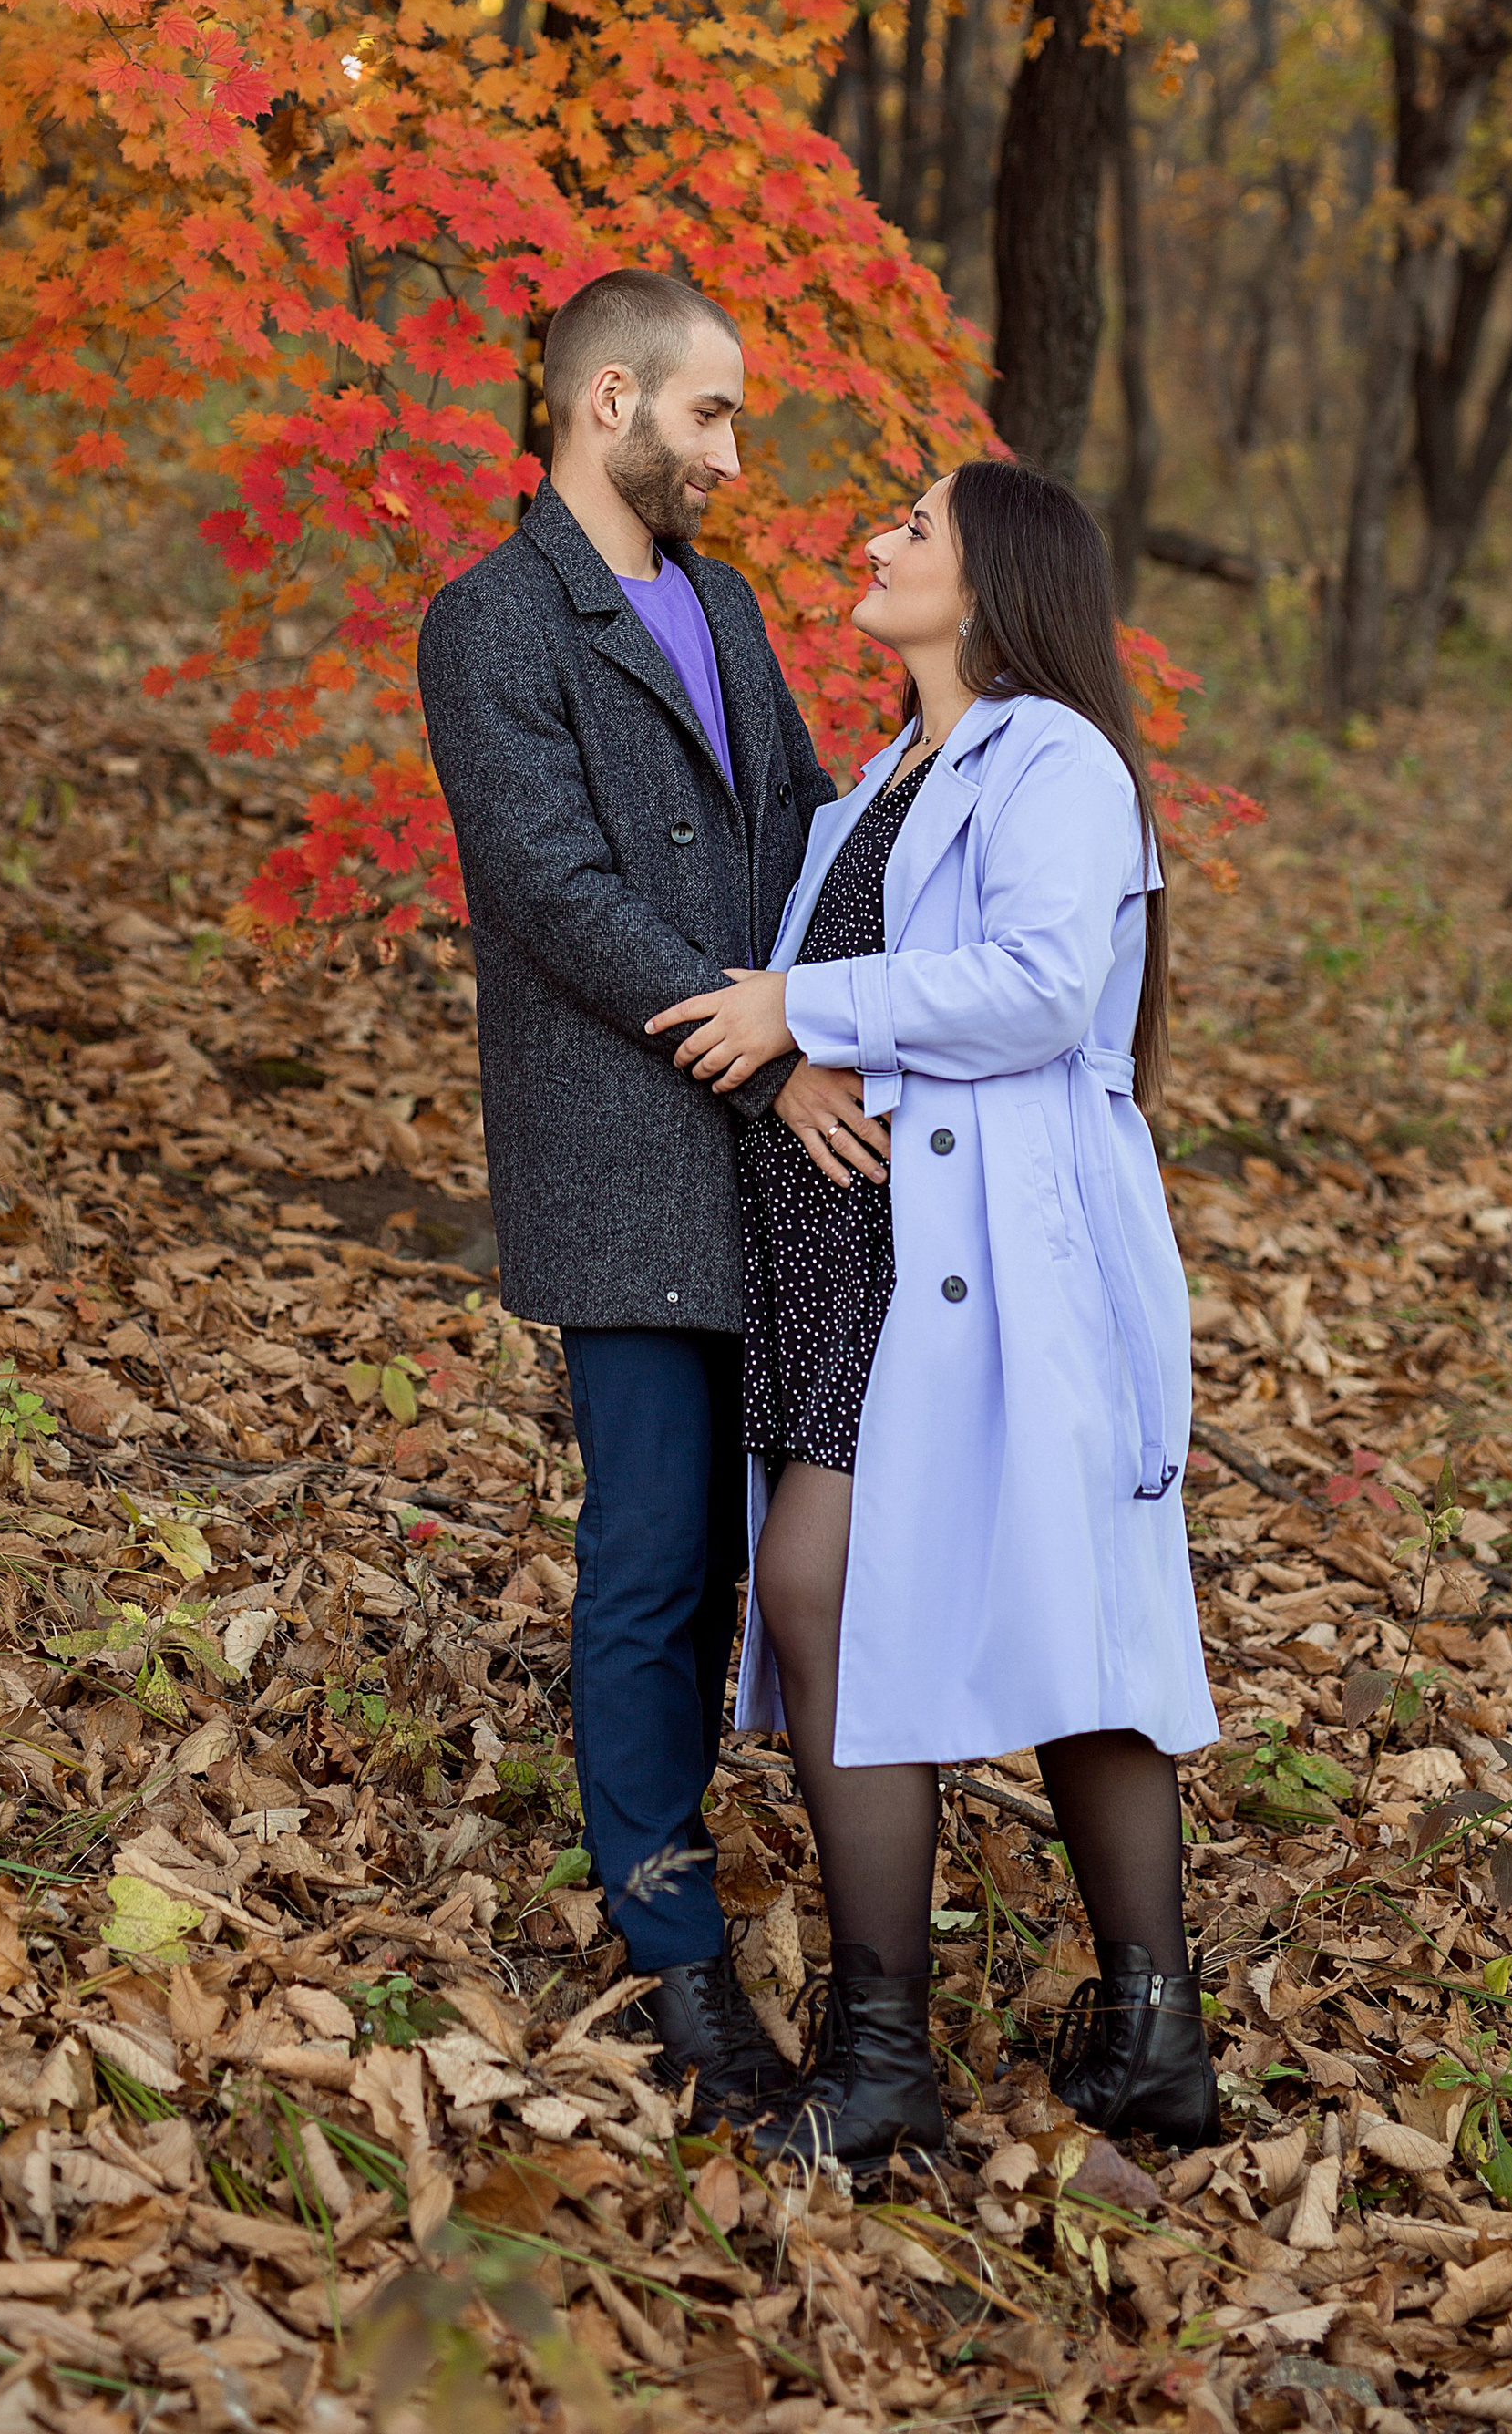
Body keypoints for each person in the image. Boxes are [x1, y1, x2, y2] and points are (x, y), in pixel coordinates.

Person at [650, 459, 1221, 2171]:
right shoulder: (880, 782)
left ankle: (939, 2050)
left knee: (1020, 1621)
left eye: (916, 526)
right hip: (859, 1256)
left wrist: (799, 1003)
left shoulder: (1056, 758)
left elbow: (1043, 986)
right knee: (913, 1612)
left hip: (989, 1258)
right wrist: (807, 1052)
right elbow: (852, 1015)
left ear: (989, 584)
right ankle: (1088, 2033)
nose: (876, 540)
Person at [417, 271, 887, 2127]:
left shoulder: (727, 604)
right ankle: (670, 1954)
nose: (730, 453)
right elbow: (549, 887)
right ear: (604, 402)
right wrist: (770, 1053)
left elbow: (798, 818)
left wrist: (880, 982)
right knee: (653, 1554)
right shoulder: (491, 620)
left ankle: (759, 1908)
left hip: (773, 1151)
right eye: (708, 417)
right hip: (622, 1142)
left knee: (753, 1560)